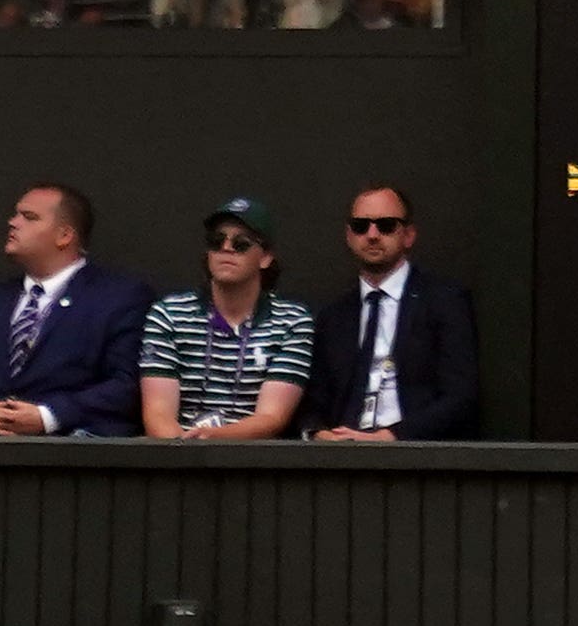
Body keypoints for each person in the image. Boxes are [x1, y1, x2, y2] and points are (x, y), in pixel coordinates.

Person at [0, 178, 144, 434]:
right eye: (15, 214)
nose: (13, 222)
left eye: (29, 217)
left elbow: (127, 384)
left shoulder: (120, 298)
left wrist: (48, 417)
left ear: (64, 235)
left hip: (71, 459)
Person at [303, 184, 477, 441]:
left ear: (408, 235)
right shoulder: (333, 315)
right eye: (361, 226)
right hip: (339, 458)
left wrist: (392, 436)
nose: (372, 235)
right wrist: (319, 435)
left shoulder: (444, 301)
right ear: (349, 236)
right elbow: (312, 401)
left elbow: (460, 397)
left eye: (386, 225)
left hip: (414, 458)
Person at [138, 195, 314, 438]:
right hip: (177, 459)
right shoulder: (168, 314)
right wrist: (182, 454)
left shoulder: (292, 321)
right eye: (216, 241)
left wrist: (209, 440)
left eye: (241, 243)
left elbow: (272, 418)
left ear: (265, 257)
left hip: (251, 464)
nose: (226, 248)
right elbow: (157, 413)